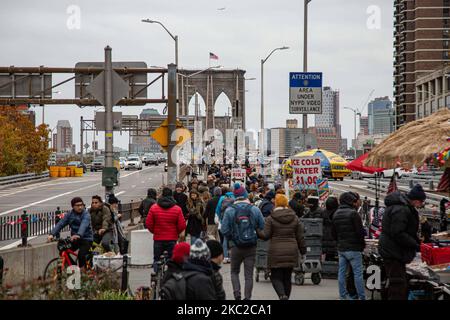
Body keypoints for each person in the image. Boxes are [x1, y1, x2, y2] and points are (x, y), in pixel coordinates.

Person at [379, 184, 425, 300]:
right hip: (393, 252)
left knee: (398, 283)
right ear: (416, 200)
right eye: (421, 202)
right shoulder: (401, 209)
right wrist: (415, 244)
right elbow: (398, 233)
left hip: (393, 250)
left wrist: (415, 240)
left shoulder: (401, 207)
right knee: (398, 285)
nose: (421, 205)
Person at [221, 182, 265, 300]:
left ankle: (237, 294)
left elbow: (224, 230)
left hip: (235, 246)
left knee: (234, 271)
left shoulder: (230, 210)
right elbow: (262, 225)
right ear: (245, 195)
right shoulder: (254, 209)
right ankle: (247, 298)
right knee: (248, 275)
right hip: (251, 246)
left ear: (235, 196)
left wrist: (232, 238)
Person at [258, 194, 306, 300]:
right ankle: (286, 297)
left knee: (275, 276)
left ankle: (281, 295)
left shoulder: (271, 218)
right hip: (291, 251)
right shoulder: (295, 217)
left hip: (276, 251)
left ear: (276, 203)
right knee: (287, 278)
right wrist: (303, 250)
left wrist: (257, 230)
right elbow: (300, 237)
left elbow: (265, 236)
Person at [332, 192, 366, 300]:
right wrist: (362, 245)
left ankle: (343, 296)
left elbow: (333, 233)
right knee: (358, 274)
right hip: (354, 248)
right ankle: (361, 297)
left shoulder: (336, 214)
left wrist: (339, 242)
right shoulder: (353, 214)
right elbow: (360, 232)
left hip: (342, 248)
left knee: (341, 273)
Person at [146, 187, 186, 272]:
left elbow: (148, 223)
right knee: (172, 260)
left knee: (157, 259)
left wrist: (155, 231)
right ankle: (170, 277)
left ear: (162, 195)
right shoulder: (177, 209)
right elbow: (182, 225)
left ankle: (156, 277)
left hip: (158, 238)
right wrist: (176, 232)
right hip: (172, 238)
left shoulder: (154, 208)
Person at [48, 197, 93, 268]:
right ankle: (73, 267)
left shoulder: (86, 214)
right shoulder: (70, 214)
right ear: (73, 206)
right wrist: (52, 234)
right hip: (75, 239)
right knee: (62, 249)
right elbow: (61, 223)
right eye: (77, 205)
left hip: (86, 239)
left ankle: (83, 272)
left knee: (81, 255)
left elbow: (83, 225)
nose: (80, 207)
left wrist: (78, 234)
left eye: (81, 205)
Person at [216, 187, 236, 264]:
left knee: (225, 238)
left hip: (224, 220)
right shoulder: (235, 198)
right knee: (232, 239)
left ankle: (225, 257)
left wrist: (220, 218)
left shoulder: (222, 198)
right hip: (233, 221)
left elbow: (217, 209)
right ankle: (231, 257)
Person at [322, 196, 339, 261]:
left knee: (327, 257)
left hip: (325, 238)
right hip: (334, 239)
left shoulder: (323, 213)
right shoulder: (337, 213)